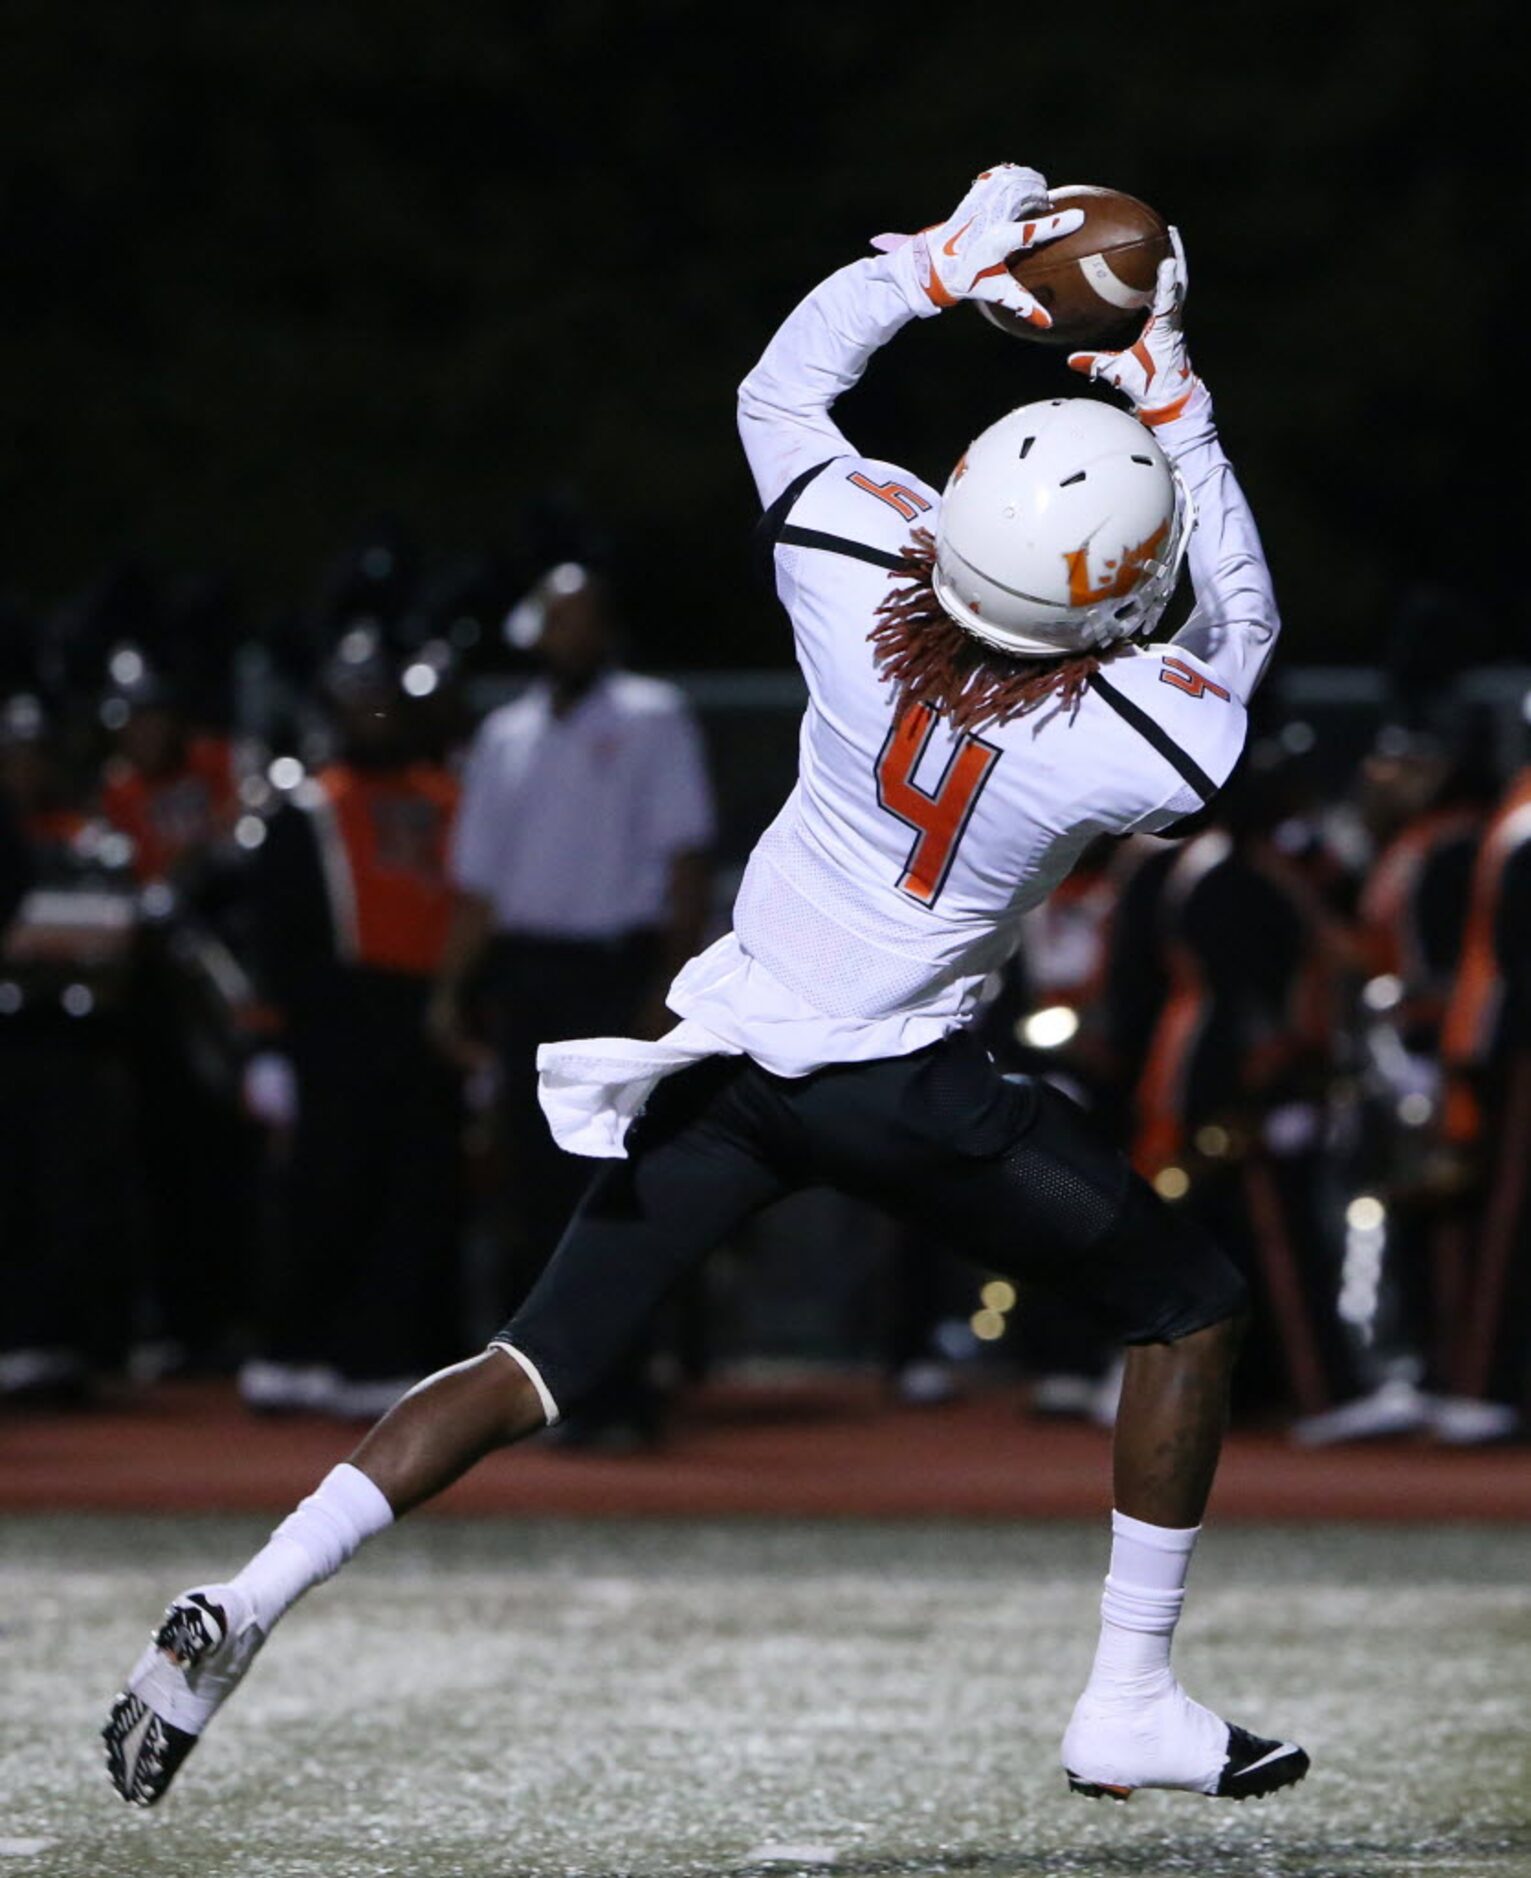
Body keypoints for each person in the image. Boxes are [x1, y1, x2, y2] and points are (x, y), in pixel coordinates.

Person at [104, 163, 1304, 1810]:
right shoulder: (1122, 741)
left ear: (955, 504)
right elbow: (1238, 633)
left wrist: (933, 265)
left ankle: (247, 1590)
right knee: (1189, 1304)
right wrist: (1168, 388)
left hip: (726, 1045)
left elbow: (782, 383)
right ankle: (1129, 1691)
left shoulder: (849, 571)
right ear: (1101, 591)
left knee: (527, 1363)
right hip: (901, 1085)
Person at [428, 564, 716, 1442]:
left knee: (618, 1183)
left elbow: (685, 863)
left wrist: (669, 992)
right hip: (529, 975)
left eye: (583, 619)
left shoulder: (650, 717)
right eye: (556, 620)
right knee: (534, 1185)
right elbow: (479, 884)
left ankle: (627, 1389)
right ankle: (554, 1391)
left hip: (613, 969)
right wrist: (450, 991)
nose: (569, 637)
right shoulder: (504, 736)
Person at [239, 631, 464, 1419]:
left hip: (424, 1016)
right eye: (357, 699)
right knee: (326, 1191)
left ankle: (384, 1353)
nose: (373, 714)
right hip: (333, 1017)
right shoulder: (307, 804)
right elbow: (276, 934)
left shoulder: (447, 795)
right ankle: (293, 1348)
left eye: (385, 699)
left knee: (415, 1192)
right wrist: (268, 1042)